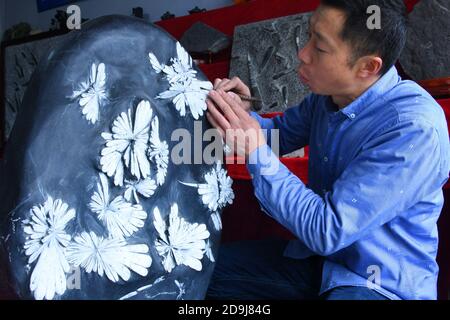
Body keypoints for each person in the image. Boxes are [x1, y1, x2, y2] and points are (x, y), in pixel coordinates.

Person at [204, 0, 450, 300]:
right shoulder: (329, 97)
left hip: (378, 283)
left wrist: (255, 150)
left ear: (367, 67)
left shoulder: (413, 128)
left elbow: (326, 229)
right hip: (321, 263)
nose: (302, 54)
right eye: (309, 35)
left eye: (319, 48)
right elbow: (276, 137)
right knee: (197, 273)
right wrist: (240, 113)